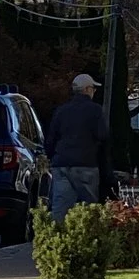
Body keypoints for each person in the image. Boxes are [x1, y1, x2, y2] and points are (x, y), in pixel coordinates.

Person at [44, 72, 108, 222]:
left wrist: (52, 157)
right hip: (86, 165)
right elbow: (103, 137)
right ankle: (84, 239)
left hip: (62, 165)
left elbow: (51, 139)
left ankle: (58, 238)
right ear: (86, 89)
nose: (94, 91)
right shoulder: (95, 110)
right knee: (88, 210)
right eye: (93, 88)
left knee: (60, 208)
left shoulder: (61, 110)